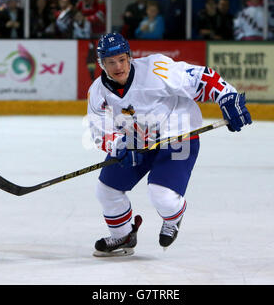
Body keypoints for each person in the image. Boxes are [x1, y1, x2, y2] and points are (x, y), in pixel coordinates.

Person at [87, 32, 252, 256]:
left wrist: (227, 97)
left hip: (178, 135)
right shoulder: (97, 91)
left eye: (122, 59)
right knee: (106, 191)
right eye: (111, 62)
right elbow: (99, 129)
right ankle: (123, 236)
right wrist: (119, 146)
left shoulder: (155, 69)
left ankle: (173, 216)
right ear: (102, 64)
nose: (118, 66)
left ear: (130, 57)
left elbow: (201, 77)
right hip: (136, 140)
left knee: (161, 195)